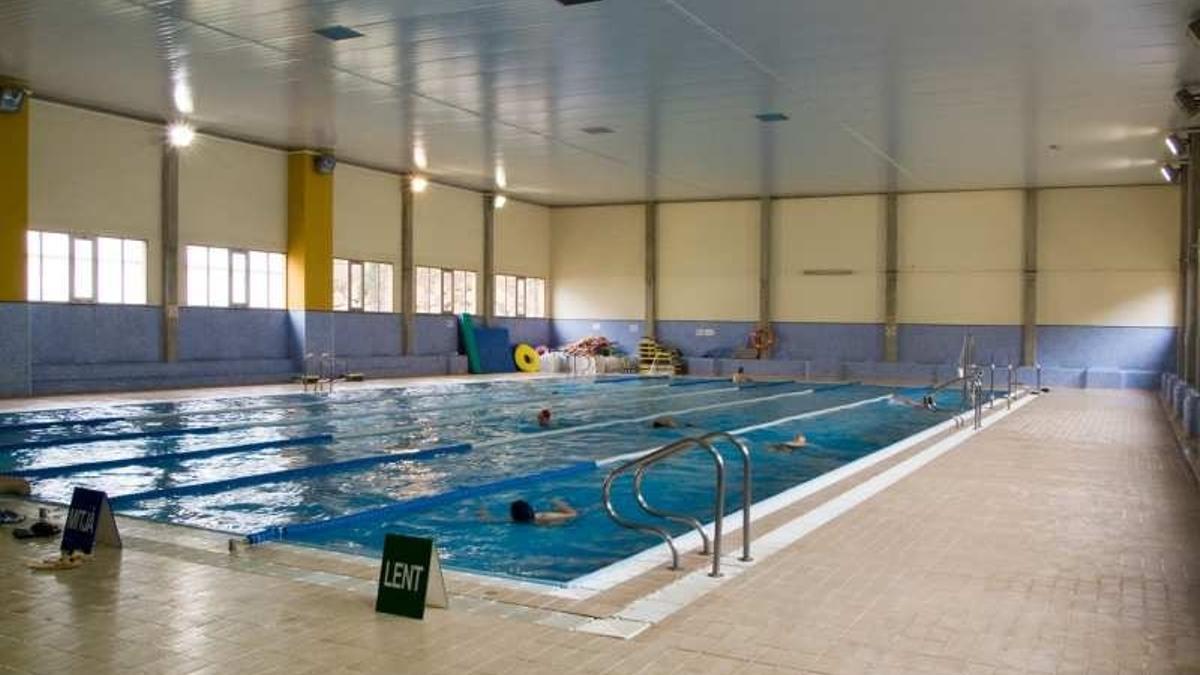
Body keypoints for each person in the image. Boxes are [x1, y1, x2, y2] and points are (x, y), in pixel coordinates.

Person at [509, 498, 577, 526]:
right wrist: (557, 502)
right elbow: (574, 514)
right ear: (529, 509)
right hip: (561, 520)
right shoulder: (545, 517)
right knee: (554, 501)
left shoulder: (516, 520)